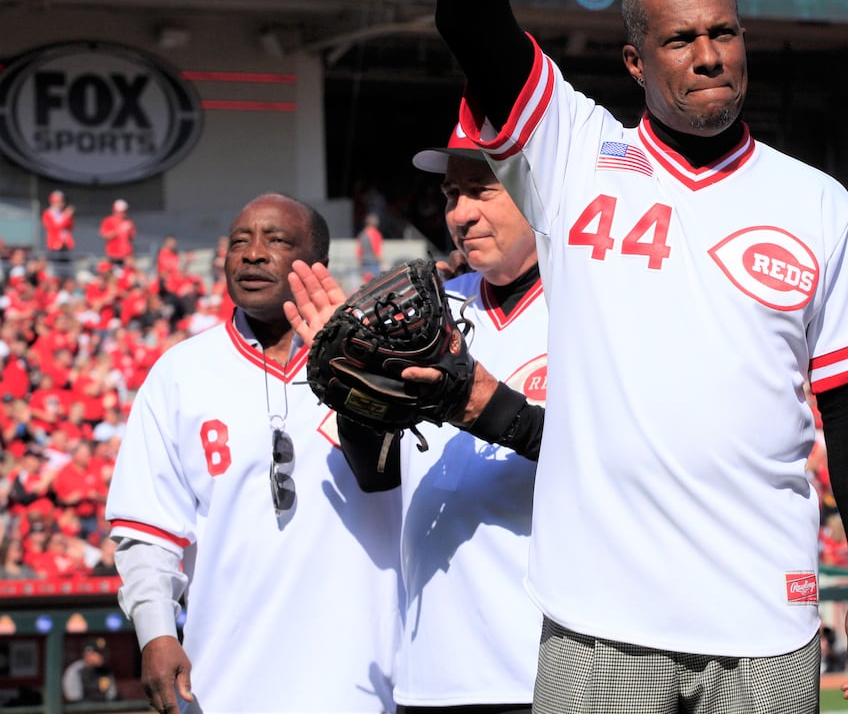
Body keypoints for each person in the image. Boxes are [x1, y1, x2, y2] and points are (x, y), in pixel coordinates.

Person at [435, 0, 848, 708]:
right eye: (683, 37)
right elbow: (473, 21)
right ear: (635, 63)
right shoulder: (572, 152)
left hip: (766, 615)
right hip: (601, 615)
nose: (709, 53)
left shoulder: (814, 201)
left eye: (725, 33)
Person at [285, 124, 548, 714]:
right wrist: (356, 398)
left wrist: (492, 408)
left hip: (551, 669)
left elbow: (615, 459)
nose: (461, 213)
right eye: (452, 194)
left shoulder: (593, 301)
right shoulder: (431, 311)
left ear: (541, 190)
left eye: (483, 189)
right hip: (432, 671)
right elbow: (378, 476)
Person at [105, 194, 400, 714]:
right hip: (222, 683)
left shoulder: (381, 364)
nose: (253, 254)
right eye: (240, 241)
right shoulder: (180, 373)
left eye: (277, 240)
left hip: (368, 678)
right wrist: (155, 631)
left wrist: (365, 364)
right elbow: (147, 528)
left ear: (319, 264)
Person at [62, 637, 118, 703]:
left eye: (104, 652)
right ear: (88, 654)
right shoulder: (75, 671)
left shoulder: (106, 671)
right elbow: (74, 700)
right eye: (99, 653)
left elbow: (112, 697)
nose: (104, 655)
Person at [41, 191, 75, 275]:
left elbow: (70, 227)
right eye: (59, 201)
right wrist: (66, 216)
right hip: (54, 245)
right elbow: (54, 228)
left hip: (65, 244)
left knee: (66, 269)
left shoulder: (62, 213)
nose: (61, 204)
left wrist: (68, 217)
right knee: (56, 269)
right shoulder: (47, 213)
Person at [99, 200, 135, 269]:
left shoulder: (128, 221)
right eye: (121, 211)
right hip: (114, 255)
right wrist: (118, 230)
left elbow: (132, 237)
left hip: (127, 256)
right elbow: (105, 236)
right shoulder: (108, 221)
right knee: (114, 276)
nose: (123, 213)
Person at [355, 212, 384, 280]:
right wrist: (382, 263)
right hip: (374, 263)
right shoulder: (376, 234)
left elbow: (359, 251)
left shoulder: (362, 234)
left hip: (364, 263)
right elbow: (377, 250)